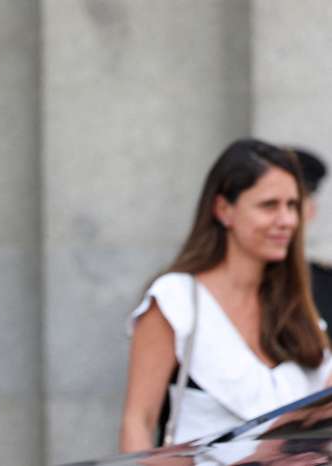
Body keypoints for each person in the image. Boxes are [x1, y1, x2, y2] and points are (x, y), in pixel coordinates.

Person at [119, 138, 332, 452]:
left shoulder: (299, 300)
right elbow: (139, 421)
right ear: (223, 209)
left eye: (292, 206)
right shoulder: (175, 299)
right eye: (269, 205)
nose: (286, 220)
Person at [292, 148, 332, 336]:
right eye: (268, 204)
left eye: (292, 204)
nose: (282, 218)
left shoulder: (324, 284)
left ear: (310, 210)